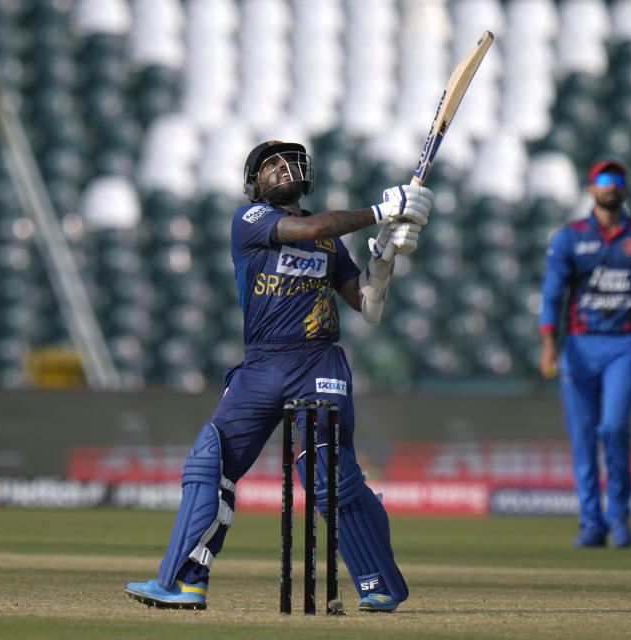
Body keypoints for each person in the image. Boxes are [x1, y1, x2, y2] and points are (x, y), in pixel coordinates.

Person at [124, 140, 433, 612]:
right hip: (262, 364)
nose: (283, 168)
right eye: (270, 165)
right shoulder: (251, 221)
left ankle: (379, 584)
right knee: (210, 462)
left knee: (328, 473)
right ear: (255, 183)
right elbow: (305, 227)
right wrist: (381, 210)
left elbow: (367, 306)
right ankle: (185, 581)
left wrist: (387, 254)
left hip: (317, 363)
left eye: (290, 160)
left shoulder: (331, 241)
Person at [538, 159, 631, 549]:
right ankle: (590, 523)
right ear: (591, 188)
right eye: (603, 180)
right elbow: (552, 293)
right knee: (582, 436)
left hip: (625, 346)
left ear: (626, 189)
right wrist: (549, 342)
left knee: (613, 429)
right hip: (579, 346)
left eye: (617, 180)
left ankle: (619, 517)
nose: (610, 187)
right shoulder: (570, 237)